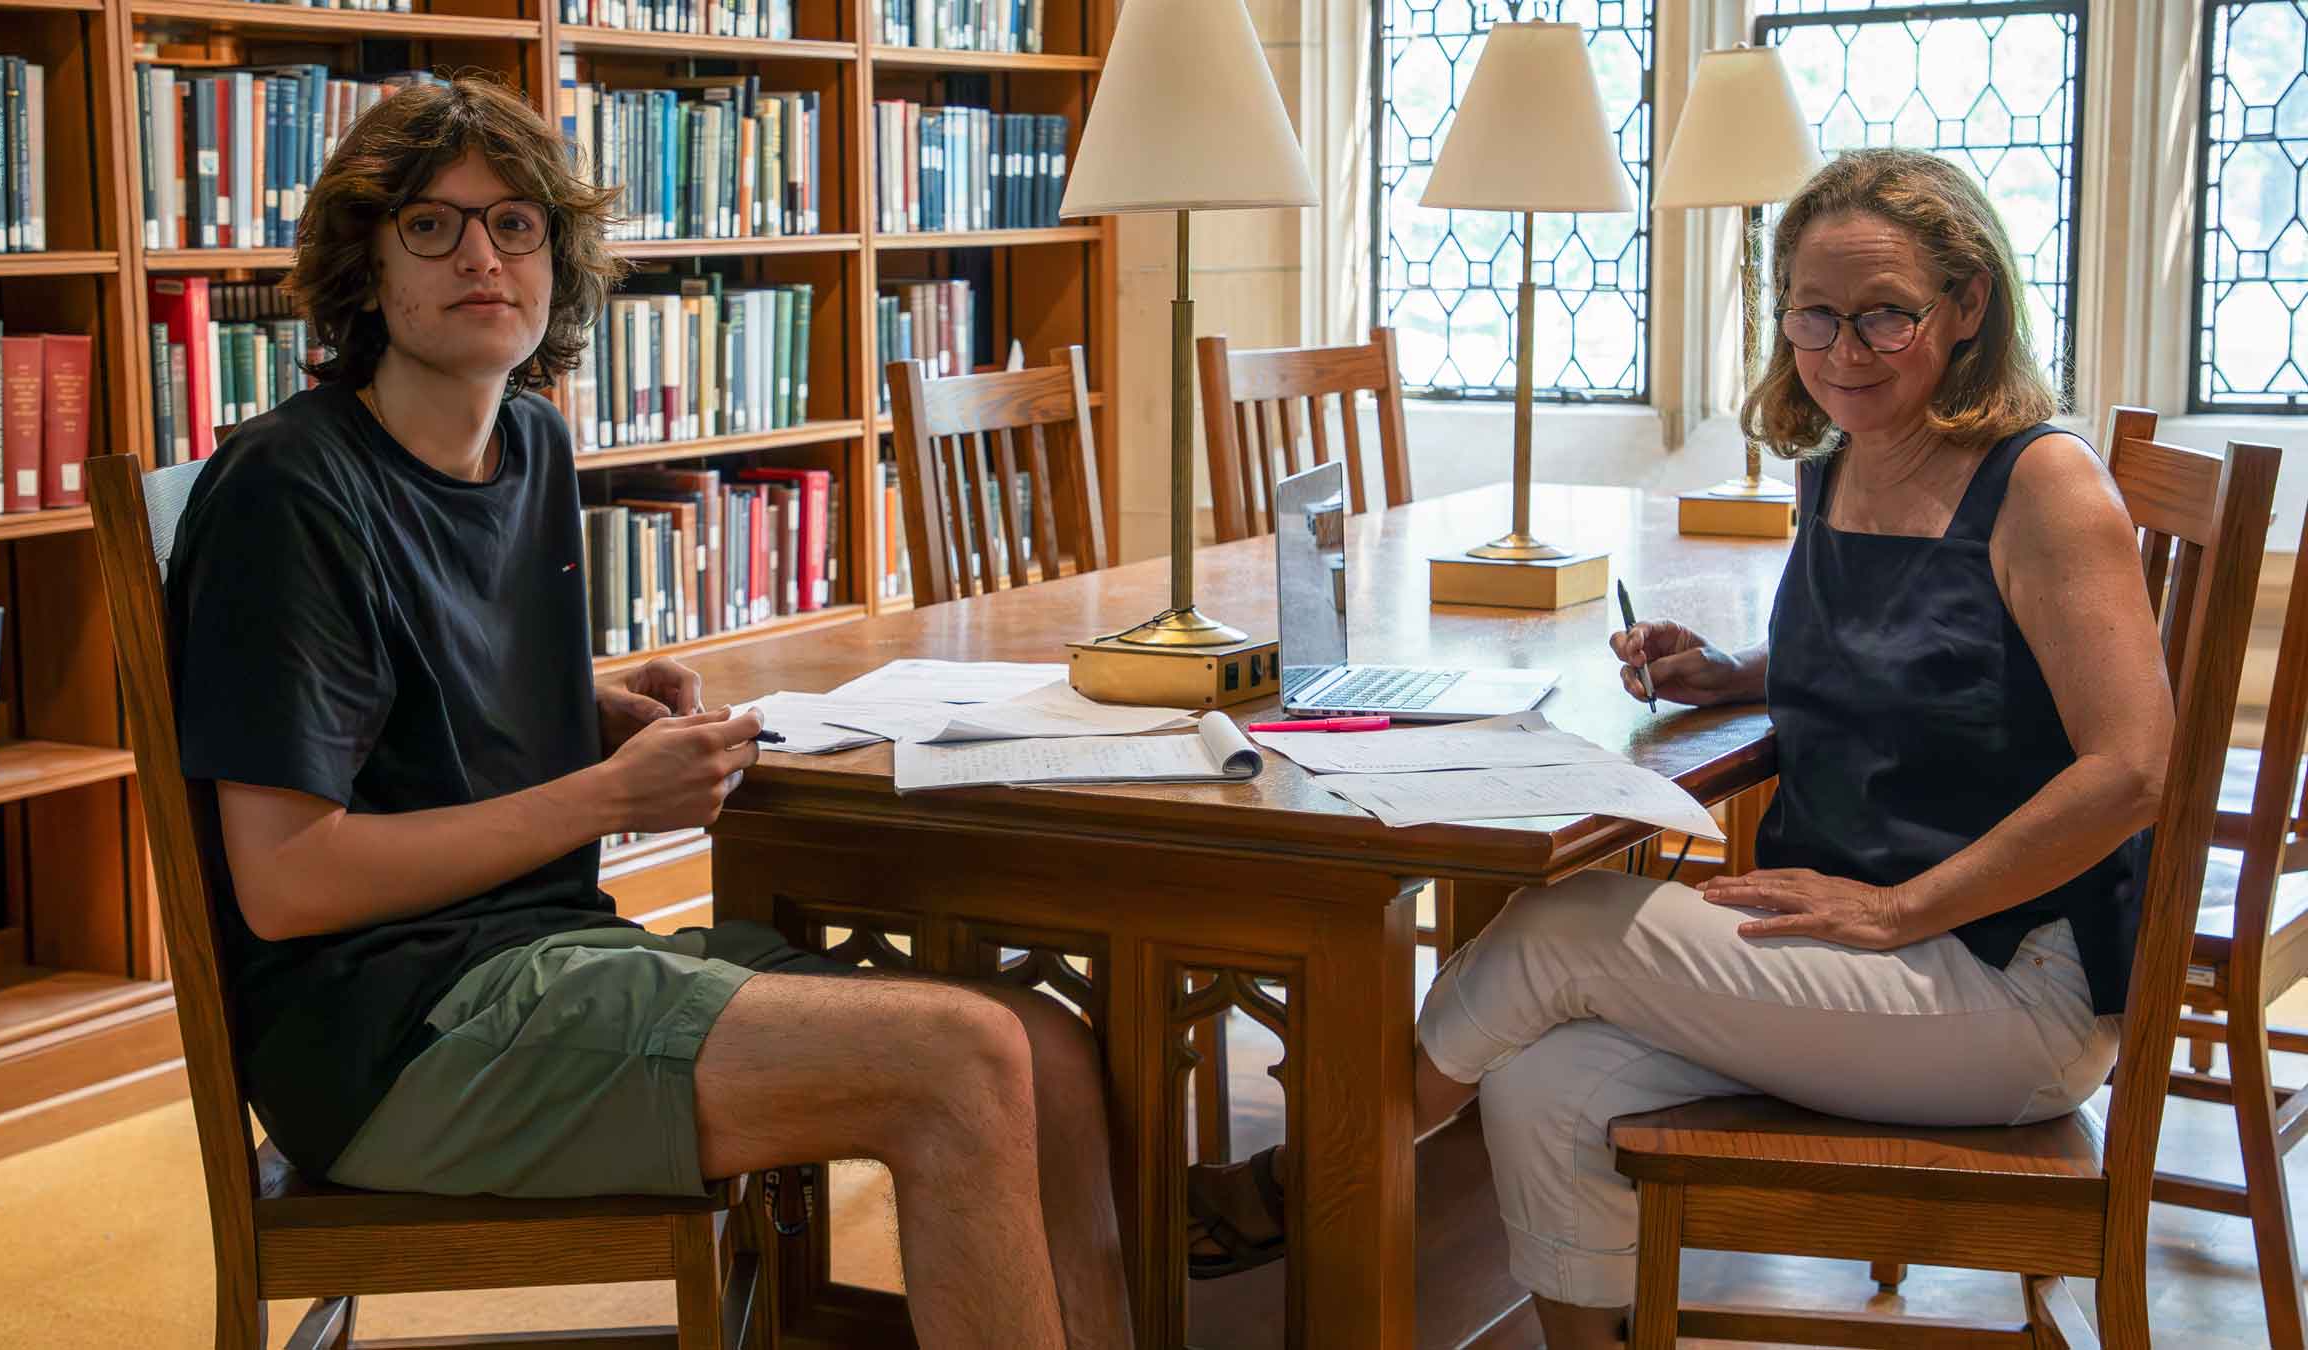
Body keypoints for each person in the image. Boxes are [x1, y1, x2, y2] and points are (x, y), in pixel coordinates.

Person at [165, 75, 1133, 1350]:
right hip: (393, 1035)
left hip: (544, 961)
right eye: (432, 225)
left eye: (516, 226)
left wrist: (591, 713)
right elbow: (287, 883)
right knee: (958, 1063)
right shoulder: (292, 492)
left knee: (1048, 1051)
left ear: (558, 264)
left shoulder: (530, 445)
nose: (481, 257)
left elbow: (406, 705)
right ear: (366, 259)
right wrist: (610, 796)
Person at [1186, 147, 2166, 1349]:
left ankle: (1309, 1180)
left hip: (2010, 984)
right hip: (1874, 942)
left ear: (1966, 309)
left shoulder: (2042, 483)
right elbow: (1927, 657)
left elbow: (2133, 769)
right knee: (1542, 1083)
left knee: (1560, 924)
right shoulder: (1842, 463)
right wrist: (1744, 673)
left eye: (1883, 317)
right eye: (1814, 313)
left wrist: (1904, 909)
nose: (1842, 351)